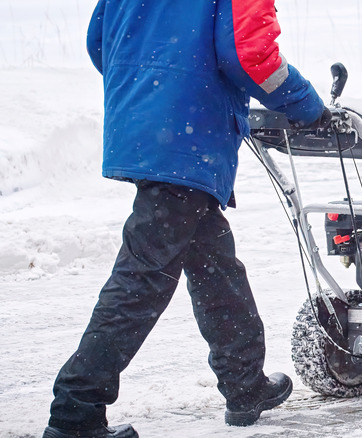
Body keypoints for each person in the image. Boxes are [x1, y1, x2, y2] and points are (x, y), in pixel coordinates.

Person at [43, 1, 330, 437]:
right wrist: (308, 107)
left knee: (214, 264)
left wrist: (152, 90)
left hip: (154, 126)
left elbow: (99, 41)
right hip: (186, 133)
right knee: (141, 279)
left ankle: (244, 384)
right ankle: (75, 411)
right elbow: (251, 56)